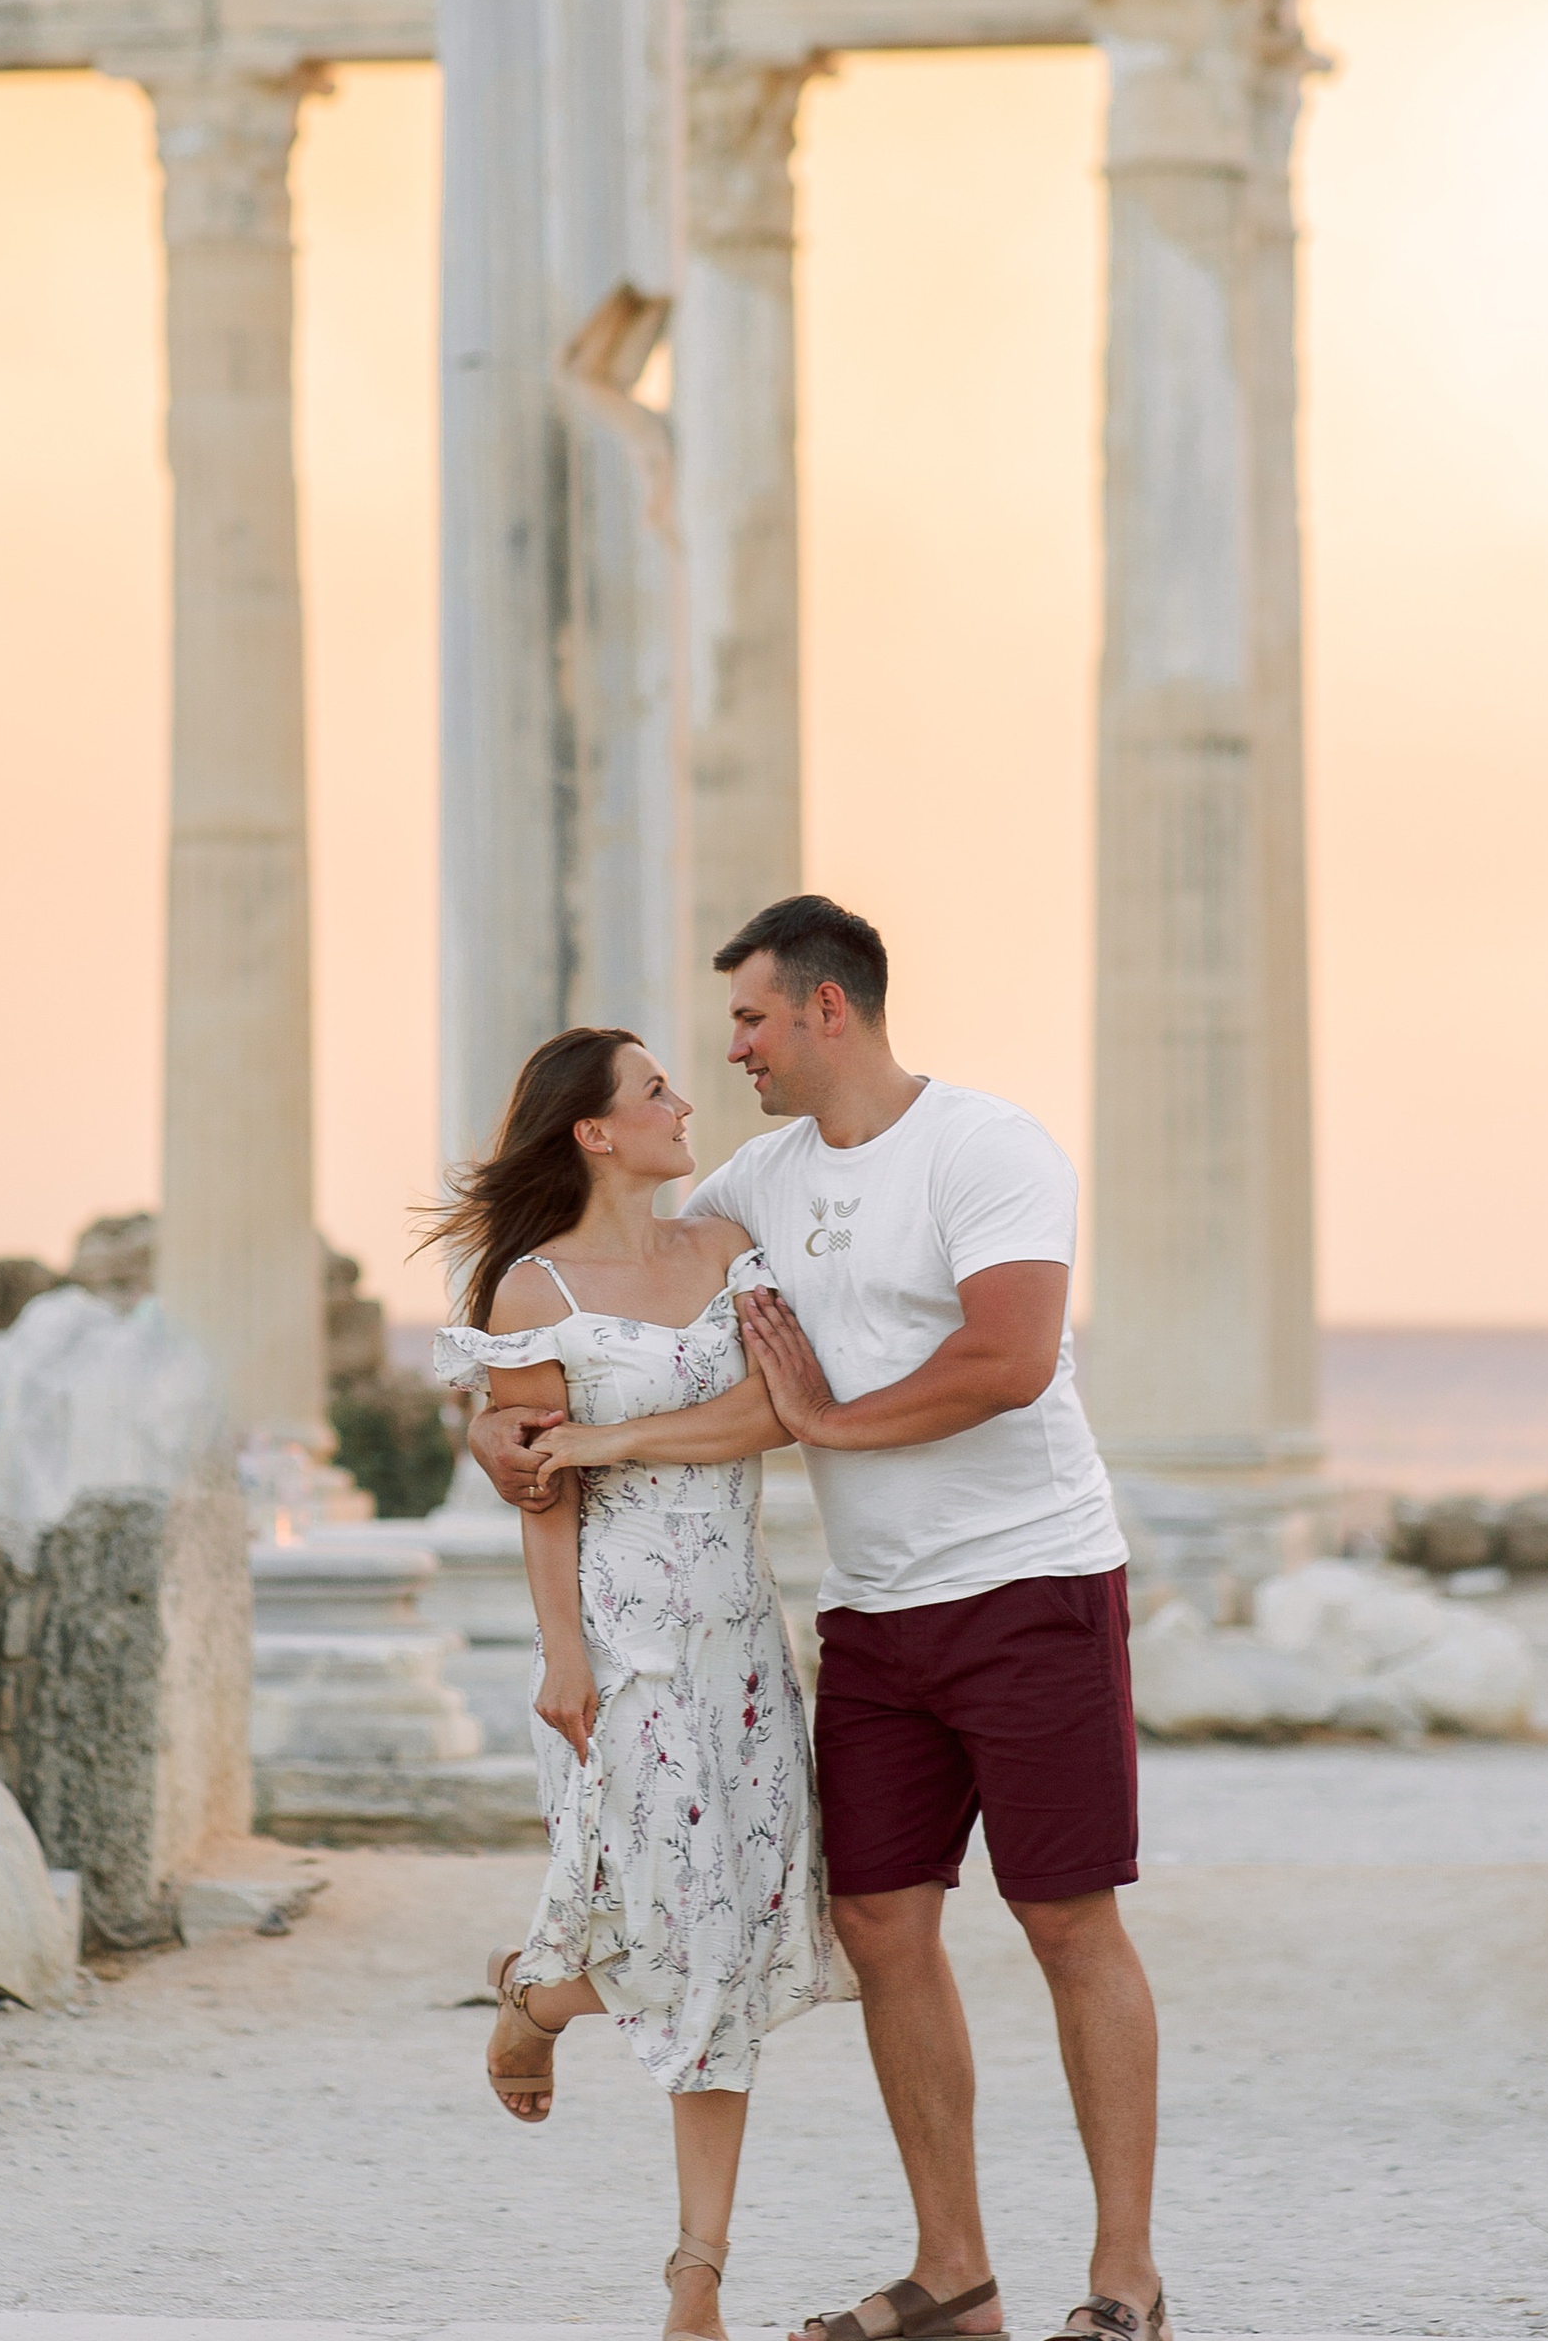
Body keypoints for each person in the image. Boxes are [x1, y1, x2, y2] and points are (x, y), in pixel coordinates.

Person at [467, 898, 1169, 2341]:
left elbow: (1012, 1357)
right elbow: (622, 1296)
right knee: (880, 1925)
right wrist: (503, 1429)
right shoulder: (759, 1181)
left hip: (1032, 1583)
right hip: (871, 1619)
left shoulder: (988, 1147)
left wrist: (830, 1426)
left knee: (1066, 1921)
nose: (730, 1052)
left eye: (749, 1021)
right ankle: (954, 2277)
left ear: (827, 1011)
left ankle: (1123, 2285)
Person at [423, 1025, 840, 2341]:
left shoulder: (727, 1252)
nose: (682, 1101)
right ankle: (541, 2004)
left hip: (741, 1636)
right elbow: (542, 1492)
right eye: (655, 1089)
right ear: (594, 1131)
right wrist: (561, 1657)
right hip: (623, 1639)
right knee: (691, 1931)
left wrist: (622, 1433)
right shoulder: (533, 1293)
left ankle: (691, 2267)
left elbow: (780, 1408)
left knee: (740, 1930)